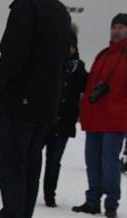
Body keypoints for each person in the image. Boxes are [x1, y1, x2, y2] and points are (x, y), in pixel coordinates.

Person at [0, 0, 71, 218]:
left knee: (12, 166)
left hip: (21, 100)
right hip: (45, 104)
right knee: (30, 166)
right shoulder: (60, 11)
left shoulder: (27, 7)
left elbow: (15, 52)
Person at [72, 13, 127, 218]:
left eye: (121, 27)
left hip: (115, 119)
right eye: (114, 27)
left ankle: (111, 203)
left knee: (109, 161)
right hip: (96, 117)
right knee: (92, 160)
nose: (116, 30)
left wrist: (124, 108)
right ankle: (92, 201)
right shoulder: (103, 55)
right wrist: (85, 109)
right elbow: (90, 88)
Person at [42, 30, 87, 206]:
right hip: (45, 120)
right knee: (33, 157)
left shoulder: (79, 69)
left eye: (71, 46)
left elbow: (85, 89)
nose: (68, 49)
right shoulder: (50, 64)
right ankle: (27, 190)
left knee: (54, 161)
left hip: (64, 124)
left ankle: (49, 195)